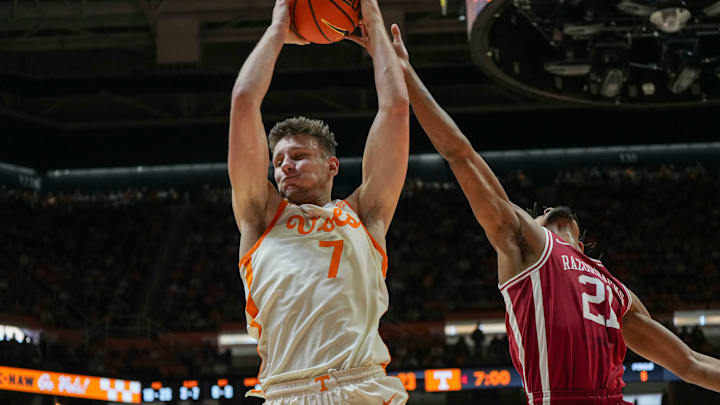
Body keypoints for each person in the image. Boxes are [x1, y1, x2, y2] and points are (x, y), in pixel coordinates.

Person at [380, 24, 720, 404]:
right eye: (536, 213)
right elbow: (461, 154)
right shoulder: (527, 245)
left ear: (584, 237)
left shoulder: (617, 291)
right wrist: (407, 76)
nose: (541, 212)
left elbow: (690, 364)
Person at [228, 0, 410, 403]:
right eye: (277, 162)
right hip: (286, 390)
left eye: (297, 157)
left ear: (331, 165)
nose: (284, 168)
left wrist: (375, 22)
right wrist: (278, 27)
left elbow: (395, 109)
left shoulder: (366, 214)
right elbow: (243, 99)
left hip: (362, 384)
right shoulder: (260, 218)